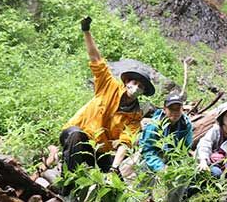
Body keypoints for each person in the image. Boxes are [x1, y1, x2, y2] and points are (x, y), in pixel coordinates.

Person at [59, 17, 155, 189]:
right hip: (77, 135)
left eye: (140, 86)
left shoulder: (135, 116)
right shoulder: (109, 85)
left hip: (100, 149)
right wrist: (86, 30)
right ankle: (66, 187)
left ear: (143, 92)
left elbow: (126, 142)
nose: (136, 87)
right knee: (75, 135)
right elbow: (96, 59)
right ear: (127, 82)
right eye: (134, 83)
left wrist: (114, 167)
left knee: (114, 183)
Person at [139, 92, 193, 173]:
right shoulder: (154, 125)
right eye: (171, 109)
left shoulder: (185, 124)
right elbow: (147, 151)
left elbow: (186, 148)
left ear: (182, 109)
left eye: (178, 109)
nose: (175, 112)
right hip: (155, 158)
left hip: (173, 158)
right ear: (164, 110)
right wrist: (161, 167)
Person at [196, 102, 227, 177]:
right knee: (216, 173)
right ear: (222, 118)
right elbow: (204, 144)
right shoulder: (215, 130)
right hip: (214, 163)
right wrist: (203, 161)